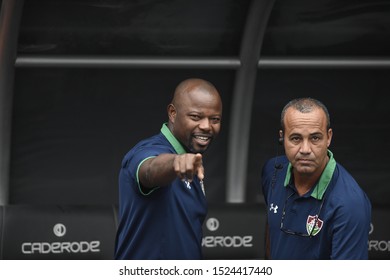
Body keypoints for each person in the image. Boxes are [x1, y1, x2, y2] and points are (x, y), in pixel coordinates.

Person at [114, 78, 223, 259]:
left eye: (215, 119)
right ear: (173, 113)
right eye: (196, 117)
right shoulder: (148, 151)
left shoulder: (192, 161)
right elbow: (149, 170)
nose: (206, 126)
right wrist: (175, 163)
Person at [261, 97, 371, 259]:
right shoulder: (272, 171)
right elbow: (272, 228)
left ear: (329, 138)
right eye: (296, 138)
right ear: (282, 137)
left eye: (315, 138)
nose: (305, 149)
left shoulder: (350, 203)